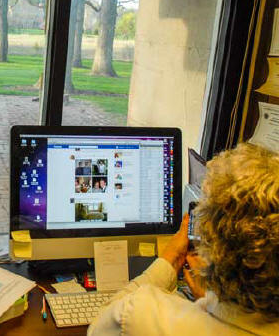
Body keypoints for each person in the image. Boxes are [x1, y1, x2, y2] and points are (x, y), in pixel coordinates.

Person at [88, 144, 279, 336]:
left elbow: (99, 327)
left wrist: (171, 256)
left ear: (212, 244)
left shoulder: (141, 316)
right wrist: (210, 299)